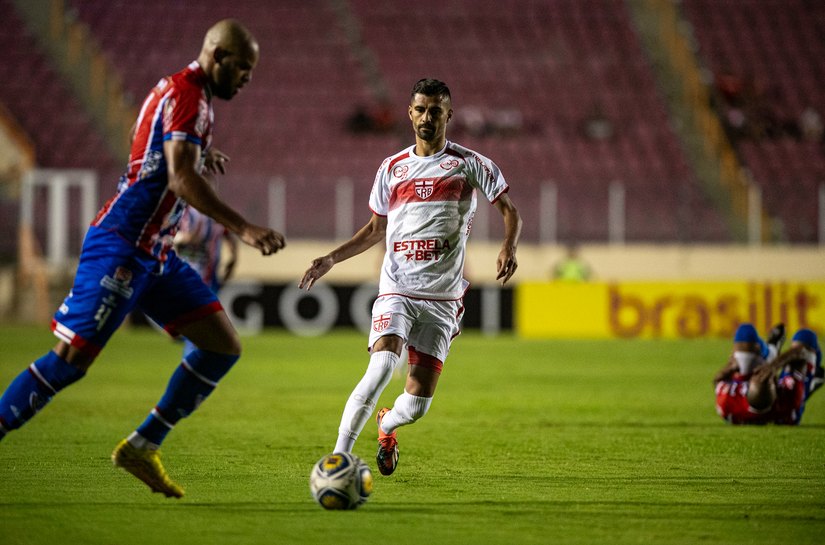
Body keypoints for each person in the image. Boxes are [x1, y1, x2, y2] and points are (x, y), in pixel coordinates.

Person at [0, 19, 285, 498]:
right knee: (69, 360)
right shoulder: (191, 94)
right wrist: (245, 227)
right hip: (122, 244)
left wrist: (201, 153)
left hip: (155, 252)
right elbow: (178, 179)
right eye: (244, 69)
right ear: (218, 56)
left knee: (221, 346)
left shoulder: (180, 92)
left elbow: (157, 149)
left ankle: (143, 445)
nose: (247, 80)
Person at [299, 78, 522, 476]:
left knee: (417, 404)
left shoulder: (470, 164)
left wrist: (508, 246)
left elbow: (509, 210)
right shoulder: (392, 168)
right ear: (410, 113)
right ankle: (339, 459)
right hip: (397, 289)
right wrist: (331, 259)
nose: (426, 117)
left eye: (435, 111)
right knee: (382, 367)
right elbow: (374, 230)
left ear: (448, 116)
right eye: (420, 109)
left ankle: (387, 425)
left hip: (442, 299)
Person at [714, 323, 821, 425]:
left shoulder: (728, 404)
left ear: (746, 386)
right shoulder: (790, 397)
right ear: (776, 387)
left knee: (745, 334)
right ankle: (812, 381)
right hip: (790, 402)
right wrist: (774, 365)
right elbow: (802, 353)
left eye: (756, 376)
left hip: (755, 400)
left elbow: (717, 382)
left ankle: (771, 351)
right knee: (806, 336)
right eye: (770, 379)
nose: (764, 375)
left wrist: (730, 367)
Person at [174, 205, 239, 357]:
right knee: (202, 320)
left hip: (203, 277)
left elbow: (228, 237)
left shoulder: (200, 214)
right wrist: (233, 259)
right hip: (195, 277)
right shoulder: (192, 213)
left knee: (201, 319)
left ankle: (189, 346)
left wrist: (233, 260)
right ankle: (190, 350)